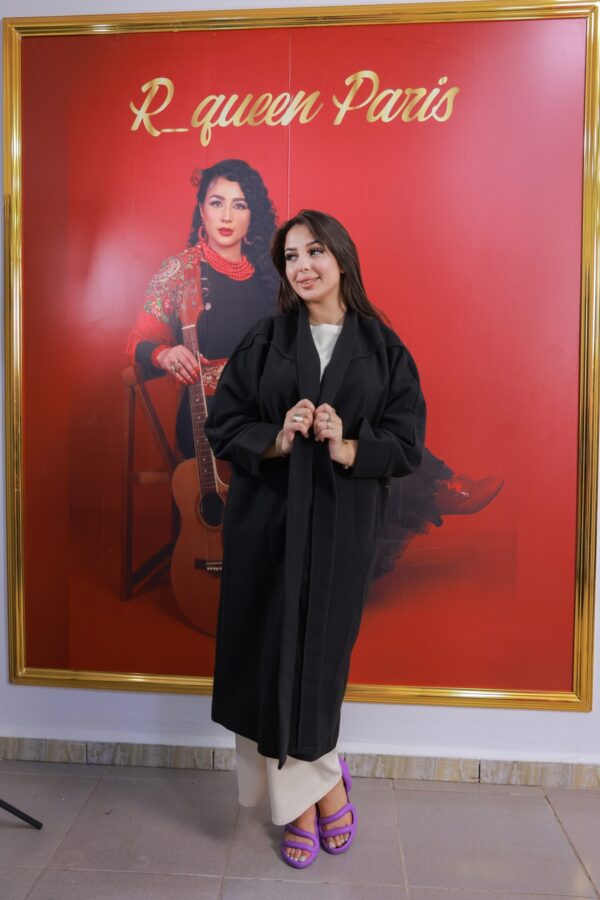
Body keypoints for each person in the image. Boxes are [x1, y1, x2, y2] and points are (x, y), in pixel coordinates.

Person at [204, 210, 427, 868]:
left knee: (318, 663)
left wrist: (346, 443)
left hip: (338, 528)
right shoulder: (266, 339)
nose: (302, 266)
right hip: (266, 524)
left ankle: (314, 790)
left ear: (342, 258)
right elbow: (224, 423)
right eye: (291, 256)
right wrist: (276, 437)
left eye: (315, 252)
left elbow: (406, 443)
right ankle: (316, 797)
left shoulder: (383, 349)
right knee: (265, 656)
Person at [126, 158, 278, 456]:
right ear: (202, 209)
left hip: (268, 416)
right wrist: (164, 354)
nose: (227, 216)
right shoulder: (178, 271)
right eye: (217, 203)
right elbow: (138, 343)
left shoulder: (272, 273)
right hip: (209, 419)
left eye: (239, 205)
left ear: (251, 215)